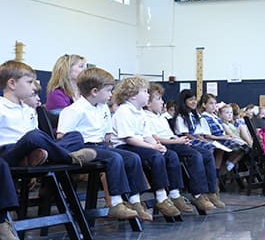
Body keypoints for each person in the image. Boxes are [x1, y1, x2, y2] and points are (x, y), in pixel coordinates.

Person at [58, 67, 151, 221]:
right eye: (108, 90)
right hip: (83, 148)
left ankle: (135, 201)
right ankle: (116, 203)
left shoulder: (103, 109)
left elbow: (107, 134)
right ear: (95, 91)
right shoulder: (74, 110)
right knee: (114, 158)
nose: (111, 94)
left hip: (100, 145)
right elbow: (62, 136)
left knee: (133, 157)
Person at [0, 60, 96, 169]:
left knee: (75, 135)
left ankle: (36, 158)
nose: (33, 87)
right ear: (12, 84)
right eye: (29, 82)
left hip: (32, 150)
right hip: (7, 152)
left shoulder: (28, 109)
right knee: (34, 135)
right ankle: (69, 158)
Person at [110, 77, 183, 219]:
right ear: (132, 95)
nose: (148, 94)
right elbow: (129, 138)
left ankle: (174, 194)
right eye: (144, 91)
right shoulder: (124, 111)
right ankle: (159, 197)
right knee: (154, 156)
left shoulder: (140, 112)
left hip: (140, 144)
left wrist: (158, 145)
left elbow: (147, 134)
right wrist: (152, 147)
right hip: (125, 146)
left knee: (169, 155)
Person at [144, 83, 217, 212]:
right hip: (167, 144)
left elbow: (170, 134)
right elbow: (155, 138)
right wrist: (177, 141)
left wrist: (181, 141)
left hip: (174, 141)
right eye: (159, 99)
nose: (163, 102)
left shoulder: (160, 117)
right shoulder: (145, 117)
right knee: (195, 155)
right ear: (148, 103)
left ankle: (211, 191)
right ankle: (197, 194)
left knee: (207, 153)